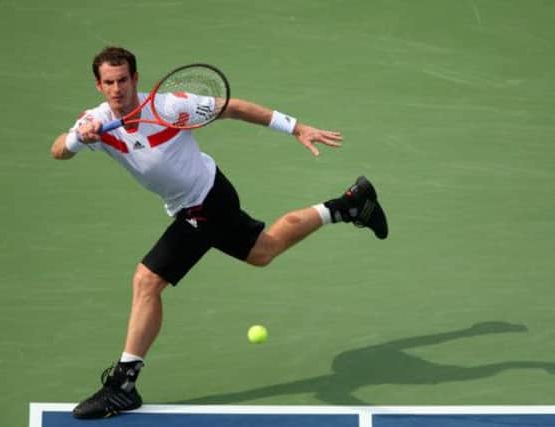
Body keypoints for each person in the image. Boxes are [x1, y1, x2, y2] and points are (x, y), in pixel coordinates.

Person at [51, 46, 388, 419]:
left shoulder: (169, 107)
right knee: (263, 250)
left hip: (206, 201)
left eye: (124, 80)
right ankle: (349, 206)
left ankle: (122, 385)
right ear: (99, 85)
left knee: (147, 281)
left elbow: (234, 107)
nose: (118, 89)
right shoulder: (94, 122)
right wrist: (78, 138)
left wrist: (296, 127)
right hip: (190, 204)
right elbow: (57, 152)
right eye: (109, 82)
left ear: (135, 79)